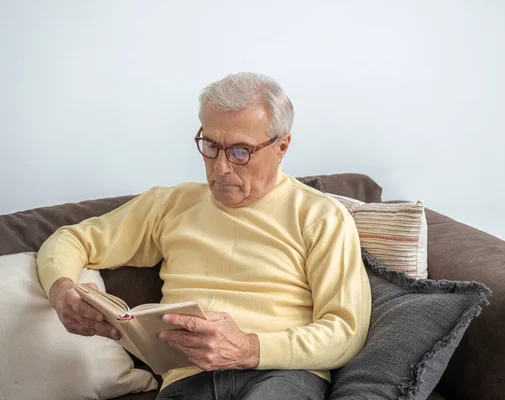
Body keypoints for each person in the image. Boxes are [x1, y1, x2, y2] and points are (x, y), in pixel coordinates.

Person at [37, 72, 371, 400]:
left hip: (282, 373)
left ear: (282, 146)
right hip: (188, 377)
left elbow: (346, 331)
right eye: (211, 146)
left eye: (240, 151)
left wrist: (249, 348)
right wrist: (61, 289)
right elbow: (70, 239)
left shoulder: (320, 216)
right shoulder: (170, 205)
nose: (221, 167)